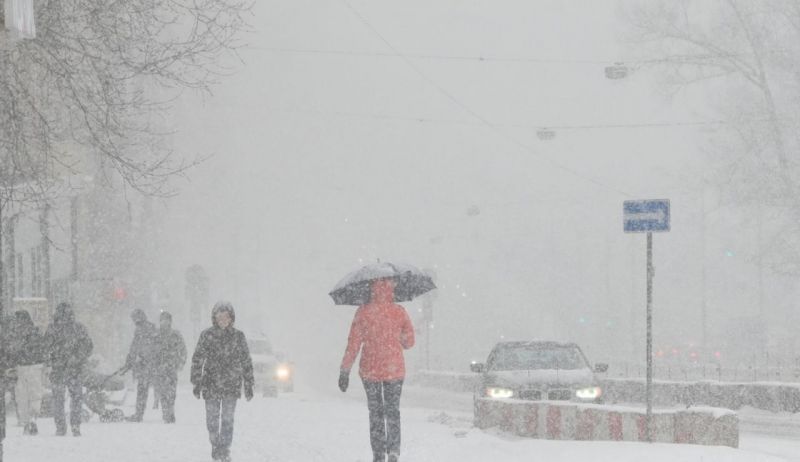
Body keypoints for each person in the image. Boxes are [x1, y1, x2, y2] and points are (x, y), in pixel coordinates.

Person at [339, 278, 415, 462]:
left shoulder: (363, 312)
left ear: (371, 289)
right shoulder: (399, 312)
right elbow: (409, 343)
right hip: (394, 369)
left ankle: (378, 454)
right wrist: (397, 336)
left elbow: (353, 344)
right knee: (393, 411)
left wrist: (345, 370)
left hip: (370, 370)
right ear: (392, 288)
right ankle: (394, 451)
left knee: (376, 413)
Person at [191, 301, 254, 462]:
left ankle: (224, 448)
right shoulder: (207, 335)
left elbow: (246, 360)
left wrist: (248, 383)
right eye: (220, 316)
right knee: (212, 419)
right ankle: (215, 443)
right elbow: (198, 359)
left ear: (231, 318)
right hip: (210, 383)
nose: (223, 320)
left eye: (226, 316)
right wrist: (196, 381)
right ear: (214, 318)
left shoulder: (238, 336)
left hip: (231, 385)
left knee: (227, 419)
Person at [43, 302, 93, 436]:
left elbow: (46, 348)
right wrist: (77, 357)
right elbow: (88, 346)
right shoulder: (78, 328)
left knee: (58, 400)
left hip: (59, 370)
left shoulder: (53, 328)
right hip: (74, 369)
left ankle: (61, 427)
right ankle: (75, 426)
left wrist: (51, 360)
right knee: (75, 398)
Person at [7, 310, 46, 435]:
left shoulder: (15, 334)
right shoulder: (35, 332)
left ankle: (25, 422)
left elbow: (11, 351)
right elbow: (43, 349)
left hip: (20, 367)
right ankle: (33, 418)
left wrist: (10, 365)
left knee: (21, 396)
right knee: (35, 394)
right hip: (35, 366)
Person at [123, 308, 158, 422]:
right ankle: (140, 413)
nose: (133, 321)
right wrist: (130, 361)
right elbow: (135, 346)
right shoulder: (144, 328)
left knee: (143, 389)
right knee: (143, 389)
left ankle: (139, 414)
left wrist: (133, 359)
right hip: (146, 364)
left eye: (134, 318)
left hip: (147, 365)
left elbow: (138, 347)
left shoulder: (145, 329)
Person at [153, 310, 187, 423]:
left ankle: (170, 411)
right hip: (160, 368)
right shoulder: (156, 335)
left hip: (172, 367)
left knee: (172, 392)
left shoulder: (176, 335)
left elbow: (183, 350)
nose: (164, 322)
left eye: (166, 320)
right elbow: (151, 351)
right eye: (162, 320)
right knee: (162, 392)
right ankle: (166, 413)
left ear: (170, 322)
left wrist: (181, 362)